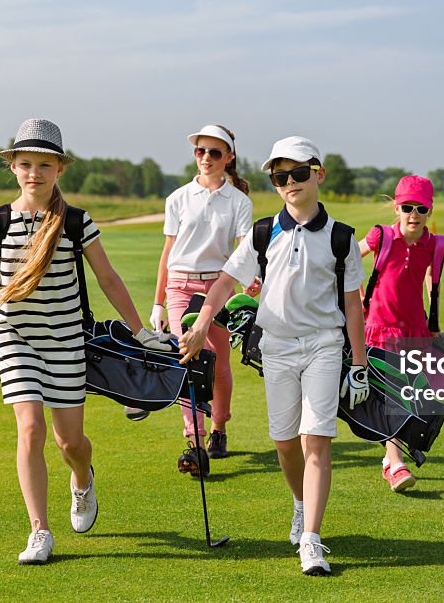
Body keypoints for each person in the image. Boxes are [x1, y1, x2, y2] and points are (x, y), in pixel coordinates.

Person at [0, 118, 170, 565]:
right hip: (15, 336)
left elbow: (106, 277)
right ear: (13, 166)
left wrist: (140, 330)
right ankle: (39, 531)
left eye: (45, 165)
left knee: (69, 442)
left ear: (60, 169)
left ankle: (83, 480)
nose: (35, 172)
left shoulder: (75, 222)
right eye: (26, 163)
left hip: (66, 341)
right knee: (30, 429)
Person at [179, 136, 369, 576]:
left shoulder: (341, 237)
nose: (290, 183)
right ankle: (301, 504)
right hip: (276, 347)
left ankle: (312, 540)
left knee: (315, 440)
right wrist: (204, 320)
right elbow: (226, 281)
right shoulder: (265, 232)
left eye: (298, 173)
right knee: (285, 444)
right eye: (280, 176)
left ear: (318, 175)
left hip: (324, 344)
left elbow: (353, 303)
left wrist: (357, 364)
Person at [146, 123, 254, 474]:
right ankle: (195, 440)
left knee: (219, 364)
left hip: (218, 286)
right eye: (200, 151)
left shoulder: (239, 201)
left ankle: (219, 427)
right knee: (190, 357)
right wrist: (158, 302)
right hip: (179, 285)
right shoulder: (177, 198)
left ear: (229, 157)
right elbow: (167, 252)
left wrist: (250, 282)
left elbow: (242, 249)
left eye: (214, 152)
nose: (205, 158)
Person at [358, 174, 440, 492]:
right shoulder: (381, 237)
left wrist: (433, 323)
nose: (414, 215)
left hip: (415, 331)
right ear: (396, 207)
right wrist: (358, 295)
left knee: (410, 396)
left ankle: (389, 460)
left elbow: (432, 285)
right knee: (393, 395)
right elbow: (347, 259)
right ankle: (396, 463)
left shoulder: (432, 244)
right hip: (380, 330)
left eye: (422, 209)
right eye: (407, 207)